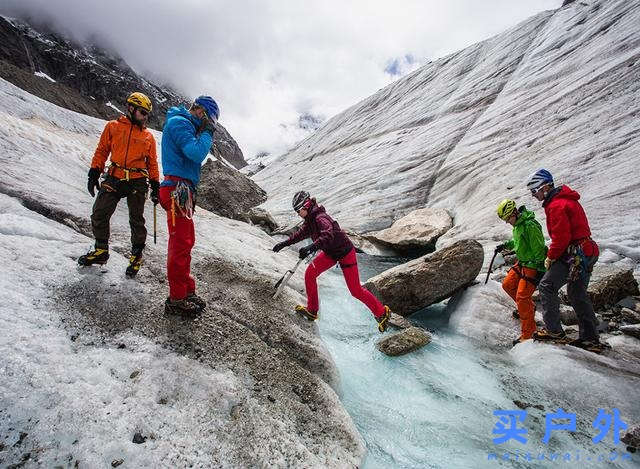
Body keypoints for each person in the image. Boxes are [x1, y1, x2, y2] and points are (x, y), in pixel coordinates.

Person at [272, 191, 391, 332]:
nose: (298, 213)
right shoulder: (310, 220)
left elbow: (328, 234)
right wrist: (284, 244)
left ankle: (382, 312)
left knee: (355, 290)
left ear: (307, 205)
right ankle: (312, 310)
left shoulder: (321, 218)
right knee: (310, 274)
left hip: (345, 253)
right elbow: (300, 234)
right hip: (331, 254)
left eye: (299, 210)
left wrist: (311, 247)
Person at [78, 92, 159, 277]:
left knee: (136, 220)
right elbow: (102, 150)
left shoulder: (148, 137)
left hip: (137, 181)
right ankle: (101, 251)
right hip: (114, 176)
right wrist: (94, 173)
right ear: (130, 108)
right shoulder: (113, 127)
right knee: (99, 212)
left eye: (147, 114)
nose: (145, 117)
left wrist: (155, 186)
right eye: (142, 112)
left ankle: (136, 256)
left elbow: (152, 163)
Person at [527, 169, 603, 352]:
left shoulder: (556, 206)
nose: (534, 195)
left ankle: (554, 331)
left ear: (545, 187)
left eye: (534, 191)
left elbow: (561, 238)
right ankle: (590, 338)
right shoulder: (567, 200)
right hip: (587, 250)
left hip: (574, 254)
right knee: (577, 294)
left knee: (546, 286)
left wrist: (551, 257)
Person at [158, 96, 219, 315]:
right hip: (177, 189)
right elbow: (196, 153)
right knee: (180, 244)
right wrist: (207, 132)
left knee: (185, 242)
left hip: (181, 190)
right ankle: (176, 299)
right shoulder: (179, 123)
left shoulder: (184, 125)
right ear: (201, 111)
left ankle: (186, 290)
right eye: (210, 119)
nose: (210, 124)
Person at [495, 199, 547, 346]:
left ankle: (528, 334)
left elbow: (538, 247)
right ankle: (528, 308)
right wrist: (506, 245)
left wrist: (538, 268)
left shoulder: (530, 225)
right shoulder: (518, 225)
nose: (507, 222)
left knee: (522, 297)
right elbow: (518, 242)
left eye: (508, 219)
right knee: (507, 285)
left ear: (514, 213)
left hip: (533, 265)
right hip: (523, 262)